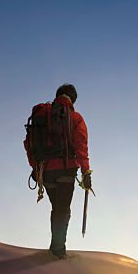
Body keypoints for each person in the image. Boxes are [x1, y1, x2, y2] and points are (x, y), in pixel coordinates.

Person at [37, 83, 91, 259]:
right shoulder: (75, 118)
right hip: (66, 171)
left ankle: (56, 247)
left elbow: (29, 143)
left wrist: (35, 168)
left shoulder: (43, 116)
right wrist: (86, 172)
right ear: (72, 99)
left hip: (45, 172)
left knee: (57, 208)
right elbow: (81, 146)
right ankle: (57, 250)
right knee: (63, 210)